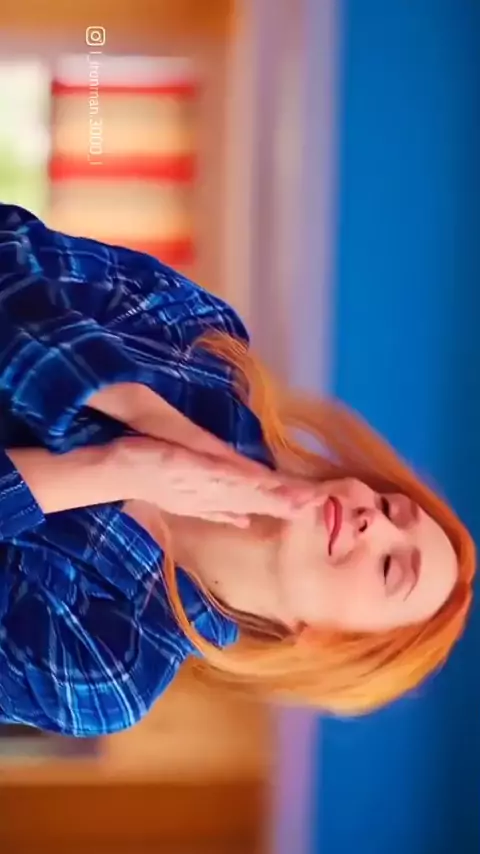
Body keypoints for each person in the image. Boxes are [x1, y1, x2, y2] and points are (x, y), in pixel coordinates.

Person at [0, 202, 474, 737]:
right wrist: (135, 405)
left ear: (326, 642)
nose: (375, 523)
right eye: (389, 507)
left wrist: (116, 470)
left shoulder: (110, 673)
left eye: (390, 568)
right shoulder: (204, 341)